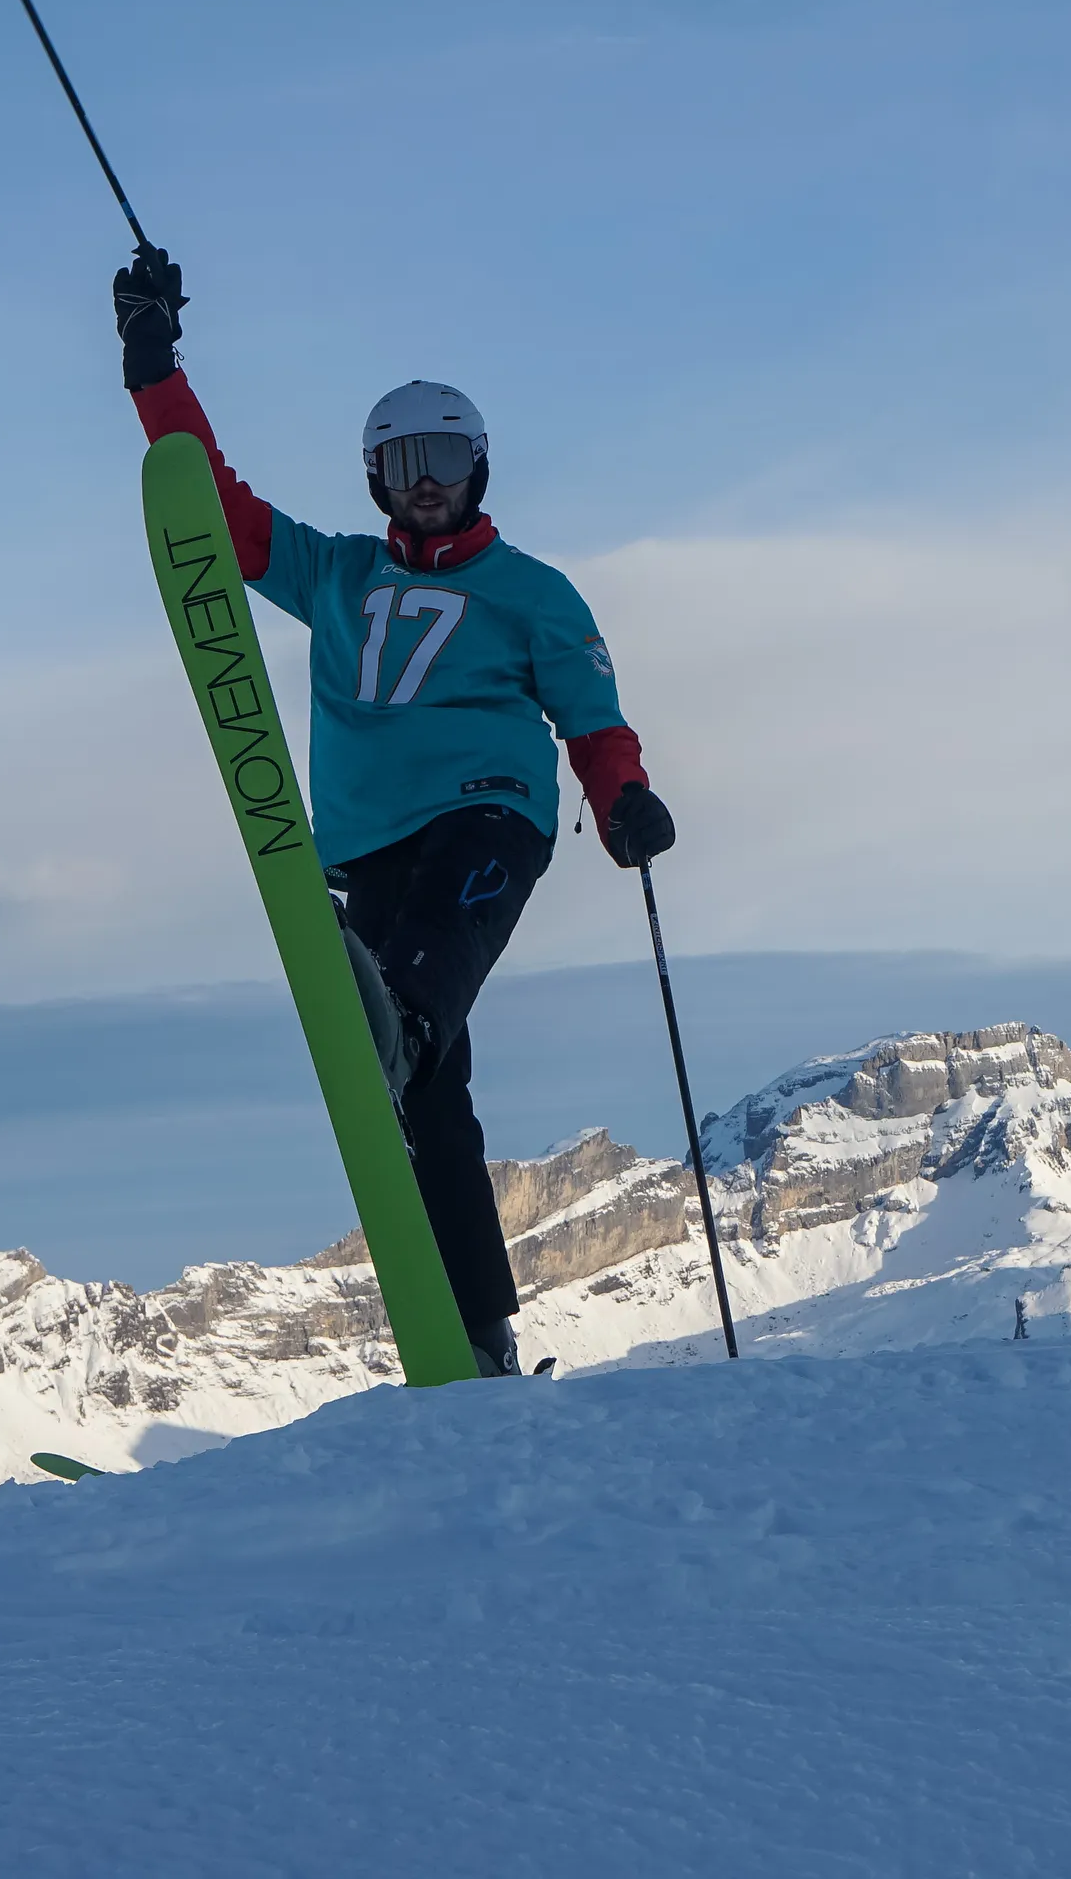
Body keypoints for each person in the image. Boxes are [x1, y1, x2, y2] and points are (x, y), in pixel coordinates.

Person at [112, 245, 676, 1379]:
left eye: (448, 459)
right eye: (406, 460)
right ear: (376, 475)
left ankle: (399, 1016)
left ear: (480, 470)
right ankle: (476, 1323)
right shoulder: (337, 575)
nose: (428, 480)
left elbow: (592, 715)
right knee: (430, 1095)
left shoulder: (532, 593)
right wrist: (152, 363)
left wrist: (624, 803)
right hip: (368, 841)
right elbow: (214, 506)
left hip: (489, 815)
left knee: (413, 1009)